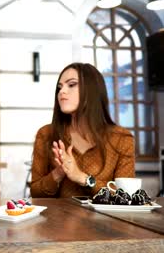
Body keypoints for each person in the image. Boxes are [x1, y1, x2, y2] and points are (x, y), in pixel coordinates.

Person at [30, 62, 135, 198]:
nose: (62, 91)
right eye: (59, 87)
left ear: (92, 90)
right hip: (58, 219)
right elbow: (35, 193)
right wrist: (58, 173)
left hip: (105, 220)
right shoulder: (46, 134)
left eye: (71, 85)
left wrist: (83, 178)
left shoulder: (122, 138)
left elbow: (126, 196)